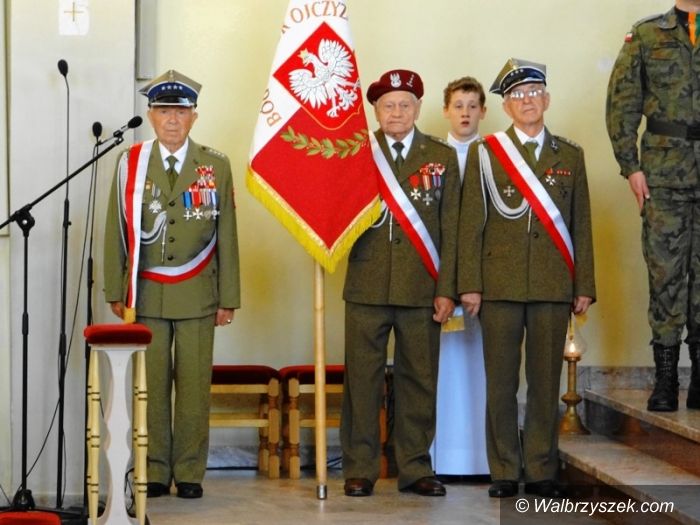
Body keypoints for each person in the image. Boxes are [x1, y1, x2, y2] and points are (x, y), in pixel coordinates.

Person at [458, 58, 595, 499]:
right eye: (517, 95)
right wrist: (470, 283)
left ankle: (539, 469)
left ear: (547, 99)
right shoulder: (486, 153)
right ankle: (503, 469)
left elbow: (581, 224)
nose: (527, 101)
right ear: (506, 106)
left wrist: (584, 285)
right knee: (500, 383)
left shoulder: (569, 155)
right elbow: (469, 224)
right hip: (498, 284)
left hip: (552, 285)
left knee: (544, 382)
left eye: (534, 93)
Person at [103, 69, 240, 499]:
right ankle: (157, 469)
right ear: (150, 115)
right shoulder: (130, 163)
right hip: (147, 294)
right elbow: (115, 228)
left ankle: (190, 472)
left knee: (194, 387)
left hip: (199, 293)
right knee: (152, 387)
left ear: (194, 116)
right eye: (164, 111)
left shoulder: (215, 165)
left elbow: (228, 234)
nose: (172, 119)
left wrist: (229, 297)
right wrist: (115, 289)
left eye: (181, 111)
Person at [341, 69, 461, 497]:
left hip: (421, 286)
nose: (396, 112)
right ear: (376, 111)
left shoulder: (441, 156)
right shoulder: (356, 152)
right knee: (362, 381)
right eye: (388, 105)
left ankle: (415, 467)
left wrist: (447, 289)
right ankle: (360, 467)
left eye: (404, 105)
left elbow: (453, 229)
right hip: (366, 284)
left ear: (418, 108)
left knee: (419, 380)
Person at [606, 0, 700, 412]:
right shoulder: (646, 34)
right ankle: (666, 379)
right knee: (666, 276)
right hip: (663, 174)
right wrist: (630, 166)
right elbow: (622, 102)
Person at [430, 76, 489, 477]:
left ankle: (481, 458)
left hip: (483, 282)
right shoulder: (433, 158)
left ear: (483, 111)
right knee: (441, 368)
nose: (465, 113)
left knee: (483, 368)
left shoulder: (497, 156)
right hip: (438, 277)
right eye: (458, 106)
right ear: (445, 111)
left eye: (472, 106)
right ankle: (443, 458)